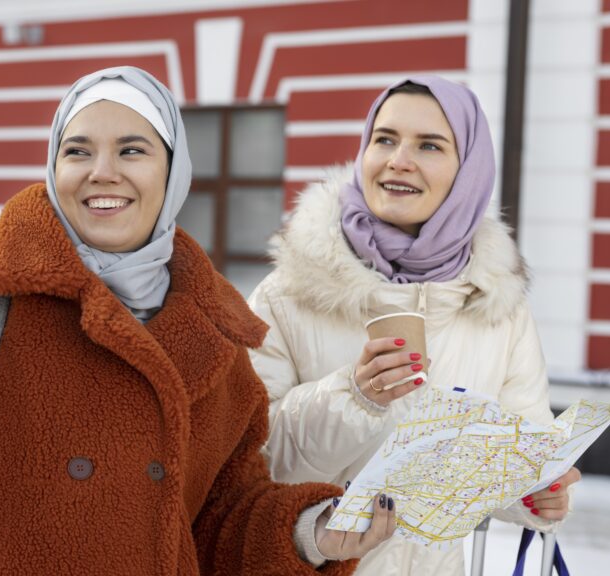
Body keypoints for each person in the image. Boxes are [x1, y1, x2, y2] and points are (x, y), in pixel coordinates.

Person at [0, 66, 393, 575]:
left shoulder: (217, 347)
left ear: (174, 173)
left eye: (133, 149)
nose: (101, 172)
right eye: (78, 149)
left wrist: (309, 534)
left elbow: (217, 526)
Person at [247, 76, 581, 575]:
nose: (398, 159)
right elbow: (252, 455)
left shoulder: (497, 306)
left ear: (466, 171)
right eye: (385, 139)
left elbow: (517, 445)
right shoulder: (287, 293)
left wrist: (535, 494)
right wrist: (353, 398)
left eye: (429, 145)